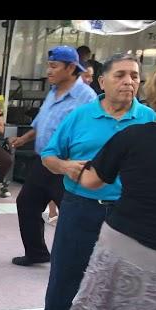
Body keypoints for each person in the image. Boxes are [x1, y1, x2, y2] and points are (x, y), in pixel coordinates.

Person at [44, 66, 156, 310]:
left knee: (117, 290)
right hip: (82, 204)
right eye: (121, 75)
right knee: (68, 266)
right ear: (101, 81)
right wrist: (66, 166)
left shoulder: (148, 119)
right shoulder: (80, 116)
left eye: (135, 76)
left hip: (128, 213)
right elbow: (49, 155)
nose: (129, 81)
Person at [8, 46, 97, 267]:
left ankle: (79, 260)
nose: (48, 71)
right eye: (48, 65)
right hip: (42, 163)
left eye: (54, 66)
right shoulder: (52, 92)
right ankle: (37, 252)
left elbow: (91, 134)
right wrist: (23, 139)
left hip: (67, 166)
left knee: (71, 214)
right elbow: (41, 124)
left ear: (70, 68)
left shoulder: (86, 97)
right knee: (27, 204)